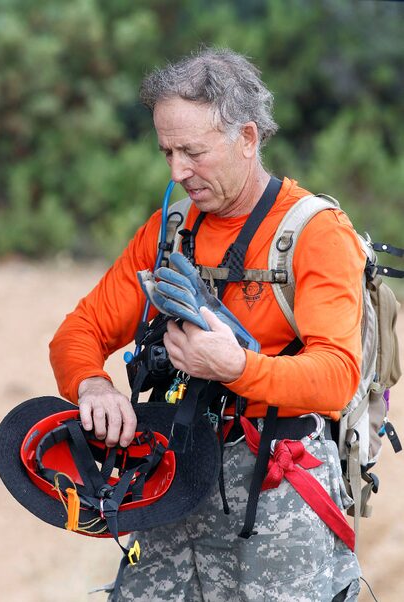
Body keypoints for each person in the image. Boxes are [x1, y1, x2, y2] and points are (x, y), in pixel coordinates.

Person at [50, 48, 365, 601]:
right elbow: (79, 331)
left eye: (192, 151)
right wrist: (92, 384)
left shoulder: (315, 234)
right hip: (168, 482)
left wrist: (236, 367)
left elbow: (337, 377)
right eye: (167, 151)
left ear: (247, 137)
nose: (177, 171)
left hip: (276, 494)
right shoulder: (169, 231)